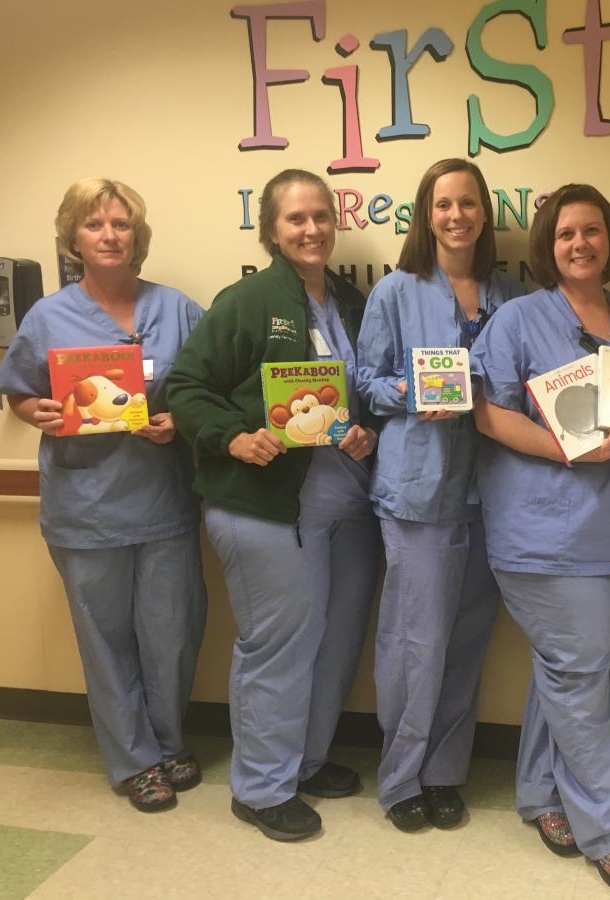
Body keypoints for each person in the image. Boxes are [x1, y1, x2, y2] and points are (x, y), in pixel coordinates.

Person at [472, 184, 610, 897]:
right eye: (565, 234)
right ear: (546, 248)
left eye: (592, 231)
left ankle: (541, 791)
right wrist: (572, 453)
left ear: (609, 240)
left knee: (585, 674)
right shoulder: (519, 320)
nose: (580, 244)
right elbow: (490, 417)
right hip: (546, 534)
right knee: (579, 665)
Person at [166, 169, 380, 841]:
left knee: (335, 640)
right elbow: (185, 384)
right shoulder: (251, 299)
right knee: (278, 647)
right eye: (295, 219)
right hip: (266, 508)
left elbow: (351, 392)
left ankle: (305, 761)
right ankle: (260, 788)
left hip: (343, 499)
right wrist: (232, 436)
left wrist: (364, 426)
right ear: (271, 230)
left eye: (320, 215)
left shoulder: (347, 300)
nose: (311, 229)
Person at [0, 178, 208, 813]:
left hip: (164, 501)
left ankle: (168, 742)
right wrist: (40, 412)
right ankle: (134, 759)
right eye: (95, 225)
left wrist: (181, 422)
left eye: (121, 224)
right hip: (86, 508)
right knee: (105, 638)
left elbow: (203, 392)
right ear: (73, 239)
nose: (110, 235)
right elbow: (19, 393)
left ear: (138, 236)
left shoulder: (179, 310)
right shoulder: (48, 316)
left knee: (172, 633)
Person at [356, 158, 524, 831]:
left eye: (469, 203)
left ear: (485, 213)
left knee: (465, 639)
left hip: (493, 494)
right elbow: (365, 383)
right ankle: (401, 779)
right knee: (413, 641)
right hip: (418, 491)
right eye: (443, 204)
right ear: (426, 216)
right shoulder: (397, 292)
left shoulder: (509, 297)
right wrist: (410, 394)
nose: (456, 215)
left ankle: (445, 772)